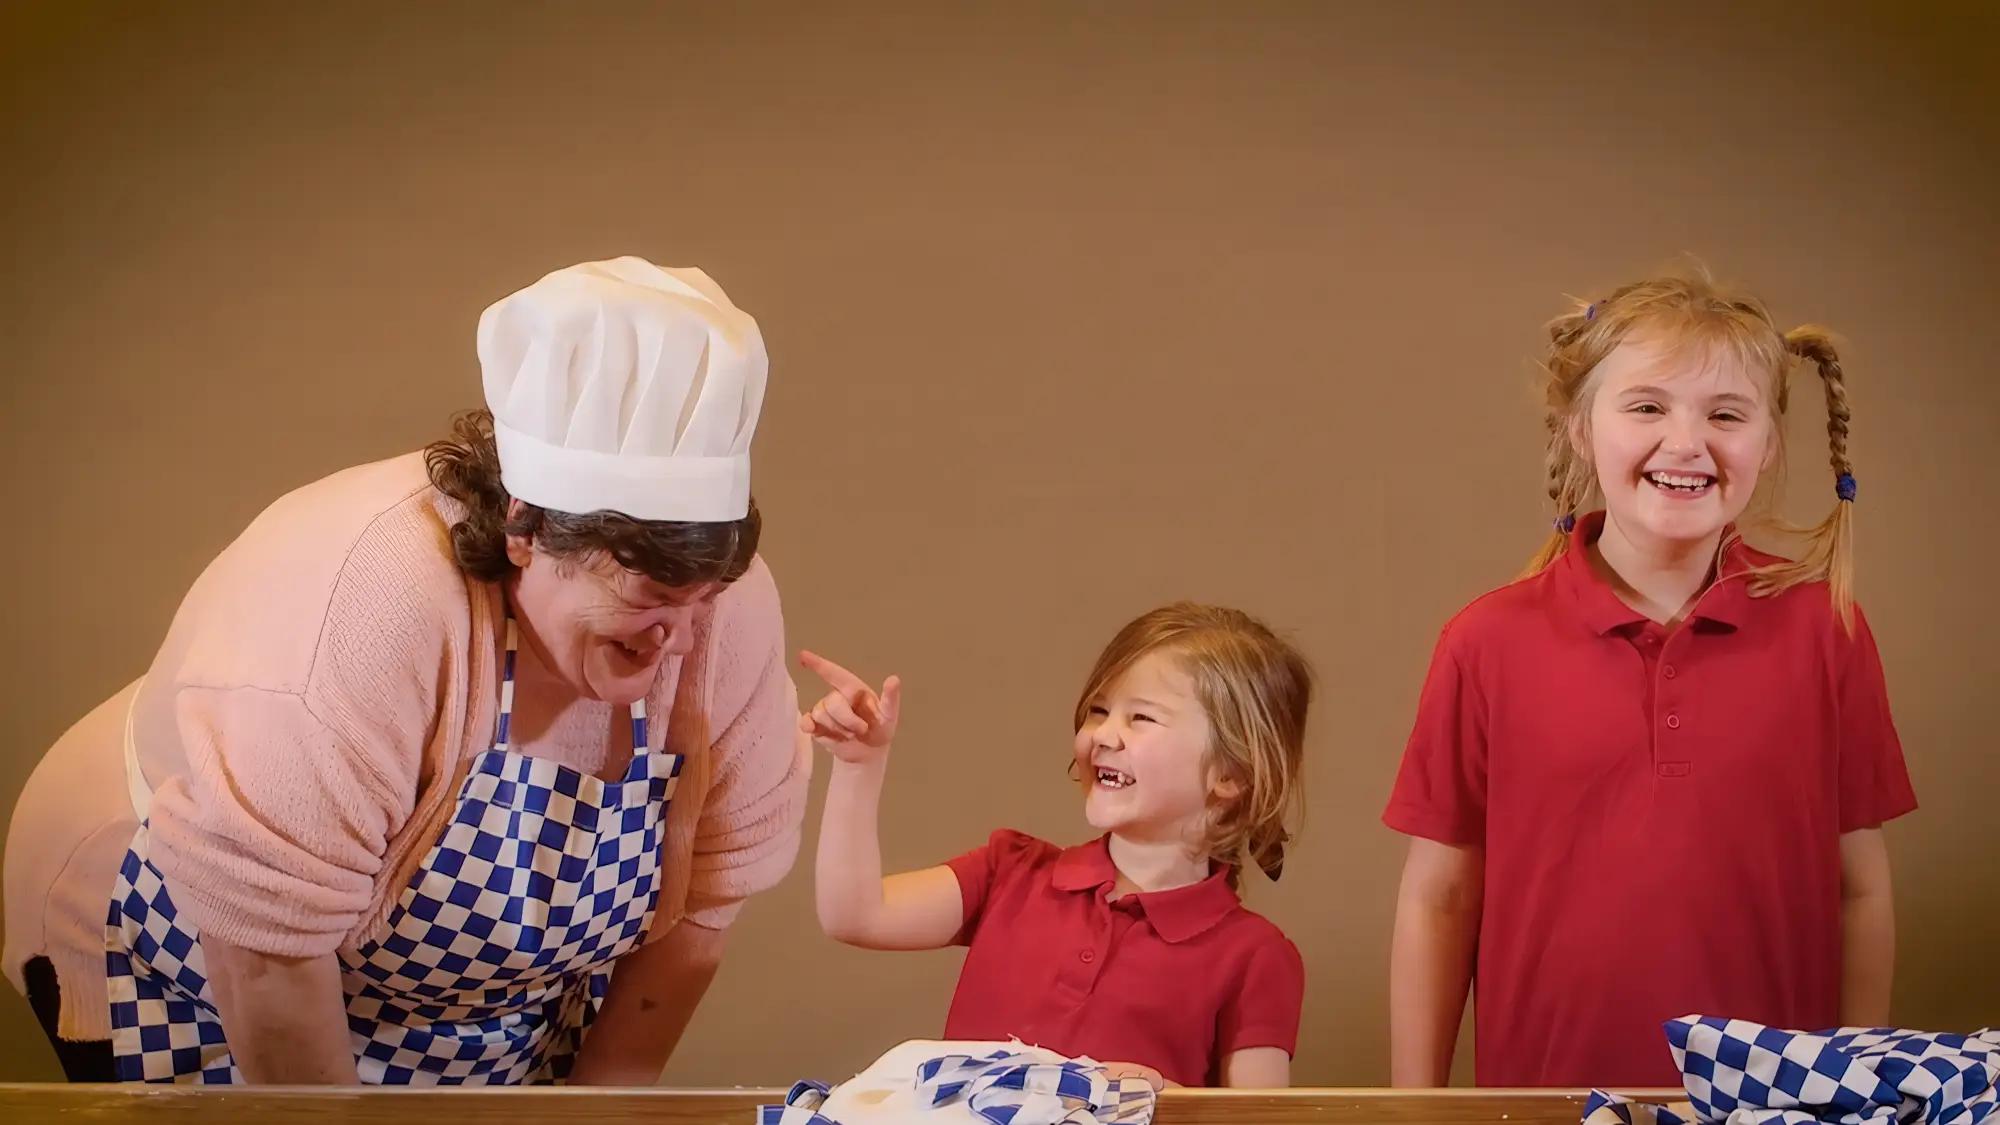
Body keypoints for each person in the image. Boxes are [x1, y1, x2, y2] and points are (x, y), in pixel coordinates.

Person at [1, 256, 812, 1085]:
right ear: (526, 530)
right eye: (651, 591)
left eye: (705, 595)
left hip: (459, 998)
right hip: (198, 953)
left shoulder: (727, 613)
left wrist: (601, 1112)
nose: (679, 635)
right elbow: (268, 960)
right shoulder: (366, 602)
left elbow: (701, 915)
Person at [1382, 268, 1918, 1089]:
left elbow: (1860, 891)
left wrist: (1852, 1090)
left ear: (1768, 443)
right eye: (1646, 406)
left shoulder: (1826, 629)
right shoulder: (1484, 641)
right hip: (1547, 1104)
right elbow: (1441, 900)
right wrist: (1415, 1112)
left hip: (1766, 1108)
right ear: (1578, 429)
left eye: (1726, 415)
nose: (1686, 443)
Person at [804, 602, 1313, 1090]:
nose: (1103, 735)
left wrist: (1164, 1098)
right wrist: (858, 767)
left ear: (1231, 774)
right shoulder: (1010, 871)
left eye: (1142, 718)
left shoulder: (1255, 956)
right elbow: (853, 914)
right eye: (1098, 711)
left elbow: (1257, 1115)